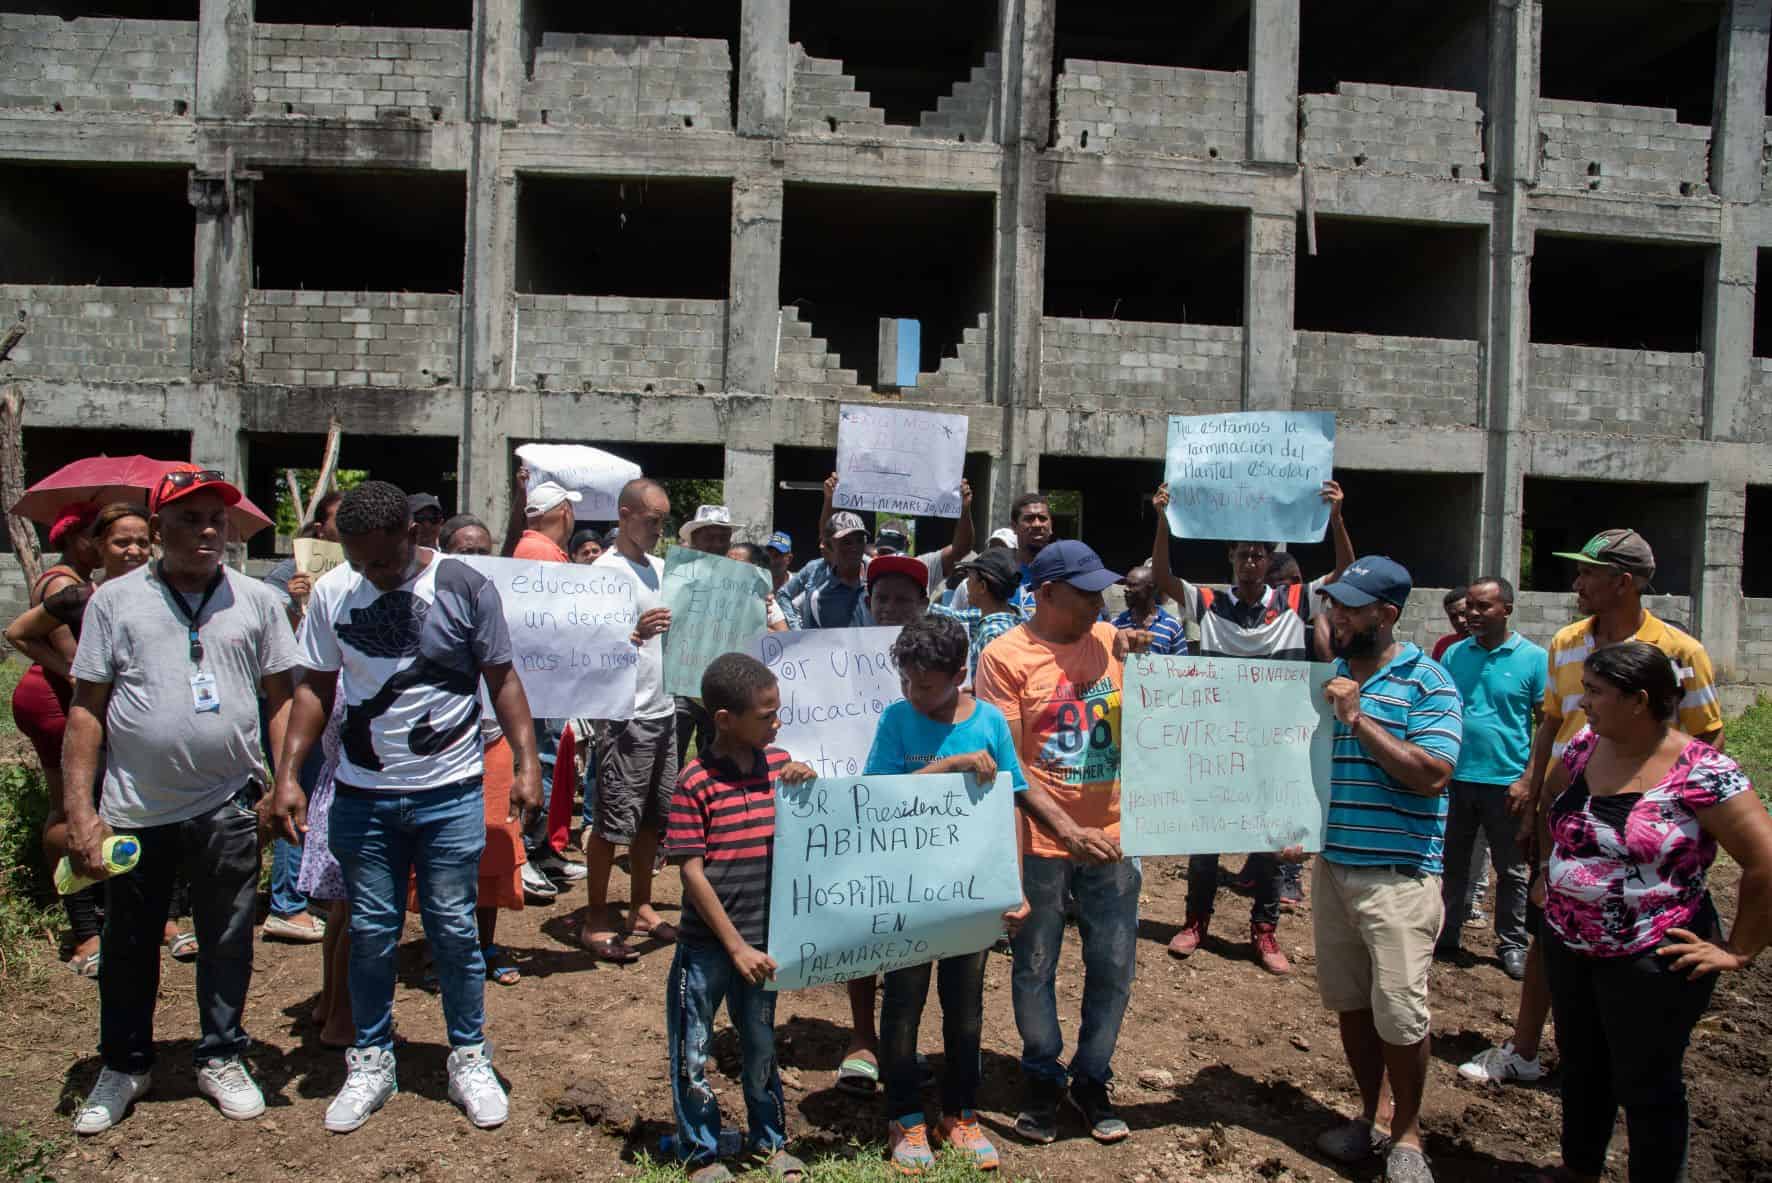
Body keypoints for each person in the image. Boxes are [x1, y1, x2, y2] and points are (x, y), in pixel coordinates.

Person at [266, 480, 543, 1133]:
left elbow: (502, 676)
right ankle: (371, 1058)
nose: (374, 574)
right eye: (360, 562)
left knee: (452, 928)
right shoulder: (337, 592)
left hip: (449, 792)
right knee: (369, 931)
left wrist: (529, 764)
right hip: (363, 796)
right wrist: (287, 776)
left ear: (413, 535)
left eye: (384, 561)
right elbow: (314, 689)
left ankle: (469, 1056)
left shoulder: (464, 586)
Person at [63, 467, 299, 1134]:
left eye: (216, 519)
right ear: (158, 528)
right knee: (130, 940)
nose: (207, 531)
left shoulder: (257, 600)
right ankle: (125, 1062)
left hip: (227, 801)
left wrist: (284, 781)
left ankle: (222, 1053)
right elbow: (86, 711)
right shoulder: (113, 602)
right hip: (136, 806)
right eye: (190, 519)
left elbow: (282, 699)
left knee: (227, 936)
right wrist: (82, 809)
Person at [1463, 528, 1725, 1087]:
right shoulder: (1566, 642)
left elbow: (1708, 741)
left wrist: (1683, 827)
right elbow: (1552, 722)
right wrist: (1534, 789)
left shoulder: (1679, 653)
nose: (1577, 583)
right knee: (1548, 931)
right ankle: (1526, 1049)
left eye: (1588, 573)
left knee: (1634, 952)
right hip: (1567, 817)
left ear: (1623, 583)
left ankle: (1622, 1065)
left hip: (1638, 836)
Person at [1532, 642, 1772, 1183]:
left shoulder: (1703, 771)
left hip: (1652, 956)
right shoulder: (1585, 748)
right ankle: (1579, 1168)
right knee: (1581, 1067)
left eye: (1595, 692)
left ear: (1638, 700)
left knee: (1647, 1084)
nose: (1583, 702)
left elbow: (1765, 863)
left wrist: (1739, 949)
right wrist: (1551, 873)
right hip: (1570, 945)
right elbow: (1551, 800)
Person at [975, 540, 1146, 1146]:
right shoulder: (1002, 658)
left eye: (1101, 590)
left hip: (1118, 840)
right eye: (1085, 591)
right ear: (1045, 594)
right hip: (1041, 847)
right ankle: (1042, 1073)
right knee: (1035, 963)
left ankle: (1093, 1077)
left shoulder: (1107, 640)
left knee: (1115, 965)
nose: (1100, 602)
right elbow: (1010, 766)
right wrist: (1065, 830)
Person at [1300, 556, 1460, 1183]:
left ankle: (1409, 1135)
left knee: (1400, 1011)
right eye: (1333, 603)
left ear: (1386, 615)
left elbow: (1432, 775)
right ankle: (1369, 1117)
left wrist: (1357, 719)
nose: (1335, 615)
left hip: (1398, 877)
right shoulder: (1327, 675)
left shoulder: (1430, 682)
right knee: (1352, 1005)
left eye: (1350, 607)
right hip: (1334, 869)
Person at [1150, 480, 1352, 971]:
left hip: (1276, 744)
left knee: (1267, 841)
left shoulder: (1297, 601)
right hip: (1216, 743)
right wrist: (1163, 519)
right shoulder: (1208, 603)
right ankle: (1195, 921)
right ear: (1231, 560)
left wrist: (1338, 518)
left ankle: (1265, 933)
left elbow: (1346, 572)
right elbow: (1163, 575)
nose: (1249, 563)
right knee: (1205, 839)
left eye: (1258, 555)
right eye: (1242, 555)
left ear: (1268, 561)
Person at [866, 614, 1027, 1173]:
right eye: (907, 682)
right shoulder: (895, 722)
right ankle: (905, 1116)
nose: (915, 694)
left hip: (972, 895)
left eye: (927, 685)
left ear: (962, 674)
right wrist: (949, 766)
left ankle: (960, 1113)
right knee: (904, 1005)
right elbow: (878, 801)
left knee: (965, 1008)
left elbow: (1012, 805)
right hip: (908, 895)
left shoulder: (991, 723)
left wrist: (1016, 888)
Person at [661, 652, 814, 1183]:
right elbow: (692, 874)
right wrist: (735, 947)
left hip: (763, 940)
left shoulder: (779, 766)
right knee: (694, 1049)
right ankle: (700, 1151)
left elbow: (808, 829)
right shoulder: (694, 781)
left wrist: (805, 783)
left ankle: (769, 1142)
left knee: (760, 1045)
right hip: (709, 948)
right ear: (724, 719)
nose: (778, 723)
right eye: (767, 715)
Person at [7, 503, 152, 977]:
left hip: (123, 719)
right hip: (70, 710)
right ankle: (85, 930)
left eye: (142, 541)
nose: (133, 550)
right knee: (74, 809)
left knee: (121, 809)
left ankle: (134, 916)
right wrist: (71, 672)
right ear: (95, 544)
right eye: (119, 541)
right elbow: (19, 632)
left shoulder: (158, 596)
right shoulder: (76, 594)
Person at [582, 478, 679, 963]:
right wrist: (634, 634)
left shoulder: (662, 570)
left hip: (665, 709)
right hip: (625, 715)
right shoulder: (605, 571)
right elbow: (587, 646)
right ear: (624, 514)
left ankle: (641, 904)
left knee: (653, 821)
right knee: (613, 819)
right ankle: (597, 914)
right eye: (651, 519)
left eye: (662, 520)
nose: (658, 529)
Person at [1434, 577, 1544, 980]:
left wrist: (1529, 780)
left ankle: (1512, 943)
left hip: (1507, 784)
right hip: (1456, 779)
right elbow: (1439, 714)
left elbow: (1546, 724)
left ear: (1506, 611)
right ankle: (1447, 934)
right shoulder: (1454, 655)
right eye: (1471, 608)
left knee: (1512, 869)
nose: (1473, 615)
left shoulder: (1533, 659)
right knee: (1452, 863)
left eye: (1484, 607)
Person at [9, 501, 99, 957]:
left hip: (63, 697)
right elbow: (72, 663)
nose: (102, 543)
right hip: (52, 700)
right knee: (66, 808)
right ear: (74, 539)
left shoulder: (84, 580)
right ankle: (81, 925)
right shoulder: (62, 583)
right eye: (96, 535)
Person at [259, 492, 345, 946]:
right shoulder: (282, 575)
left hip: (337, 702)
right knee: (299, 796)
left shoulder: (356, 571)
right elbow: (269, 643)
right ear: (319, 530)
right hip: (296, 701)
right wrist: (292, 604)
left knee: (322, 797)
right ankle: (286, 905)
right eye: (338, 520)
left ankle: (312, 888)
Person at [510, 479, 585, 895]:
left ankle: (539, 851)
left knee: (549, 760)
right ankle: (522, 855)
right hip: (539, 681)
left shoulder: (538, 550)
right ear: (563, 512)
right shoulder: (539, 551)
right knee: (535, 761)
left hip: (548, 677)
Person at [674, 506, 741, 765]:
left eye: (722, 537)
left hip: (719, 682)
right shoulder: (675, 577)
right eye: (709, 537)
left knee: (716, 756)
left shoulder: (741, 580)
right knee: (673, 756)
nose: (716, 544)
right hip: (679, 681)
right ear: (694, 539)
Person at [954, 547, 1020, 684]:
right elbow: (958, 616)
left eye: (970, 577)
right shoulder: (1015, 615)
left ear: (982, 587)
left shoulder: (991, 634)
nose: (966, 583)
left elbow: (989, 686)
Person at [1112, 564, 1186, 657]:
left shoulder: (1172, 626)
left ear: (1151, 588)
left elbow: (1180, 664)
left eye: (1133, 585)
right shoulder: (1116, 624)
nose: (1126, 589)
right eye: (1126, 584)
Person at [1430, 588, 1467, 661]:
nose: (1460, 620)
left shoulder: (1490, 644)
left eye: (1463, 613)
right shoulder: (1443, 645)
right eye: (1453, 617)